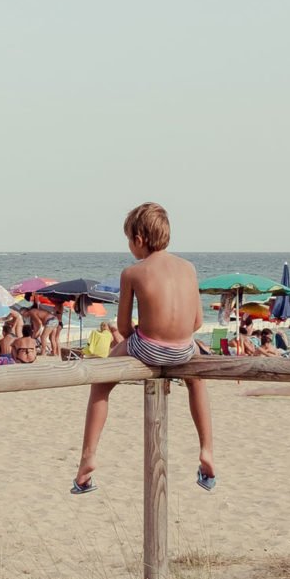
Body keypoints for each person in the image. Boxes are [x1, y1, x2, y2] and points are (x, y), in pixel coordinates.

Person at [73, 202, 215, 494]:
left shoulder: (133, 273)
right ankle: (207, 449)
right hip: (184, 348)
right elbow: (197, 322)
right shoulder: (189, 268)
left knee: (101, 384)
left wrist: (141, 334)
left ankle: (88, 456)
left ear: (138, 240)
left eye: (128, 240)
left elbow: (124, 328)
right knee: (197, 382)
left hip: (148, 346)